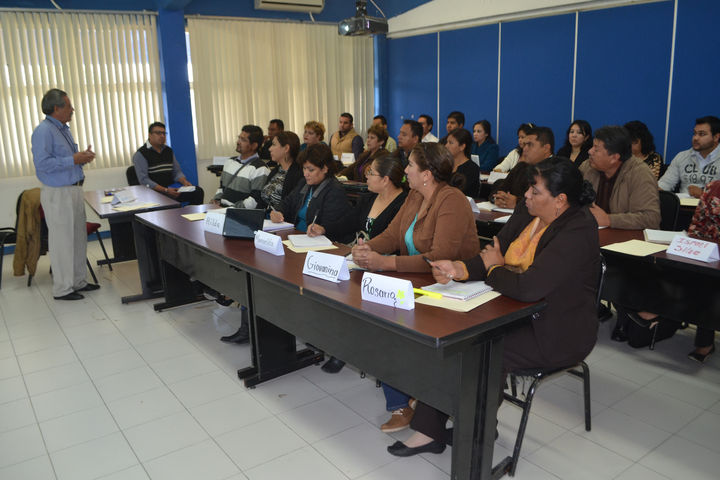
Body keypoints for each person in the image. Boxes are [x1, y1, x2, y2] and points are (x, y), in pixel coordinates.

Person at [387, 156, 600, 457]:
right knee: (454, 332)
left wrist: (494, 269)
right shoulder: (527, 212)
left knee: (478, 347)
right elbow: (491, 253)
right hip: (513, 310)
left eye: (535, 191)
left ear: (560, 200)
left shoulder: (578, 230)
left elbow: (528, 287)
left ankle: (474, 430)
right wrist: (459, 269)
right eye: (528, 188)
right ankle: (441, 427)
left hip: (556, 330)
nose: (526, 195)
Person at [351, 143, 480, 433]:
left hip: (451, 290)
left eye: (410, 165)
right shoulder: (413, 195)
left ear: (427, 174)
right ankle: (408, 392)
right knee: (375, 318)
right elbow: (392, 234)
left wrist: (385, 263)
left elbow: (439, 257)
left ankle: (405, 402)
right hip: (417, 282)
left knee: (391, 331)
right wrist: (367, 248)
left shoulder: (452, 200)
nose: (405, 170)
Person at [321, 155, 409, 374]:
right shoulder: (369, 197)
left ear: (386, 179)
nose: (366, 176)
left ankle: (347, 350)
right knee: (334, 285)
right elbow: (349, 222)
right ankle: (337, 344)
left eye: (371, 173)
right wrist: (324, 229)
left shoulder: (404, 202)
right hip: (360, 260)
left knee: (351, 292)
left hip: (387, 266)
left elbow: (395, 241)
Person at [614, 180, 720, 360]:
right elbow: (697, 225)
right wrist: (696, 247)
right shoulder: (713, 187)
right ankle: (664, 313)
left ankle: (703, 341)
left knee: (709, 282)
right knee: (678, 268)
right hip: (708, 250)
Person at [31, 88, 100, 301]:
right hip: (58, 193)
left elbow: (69, 159)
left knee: (78, 239)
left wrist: (82, 158)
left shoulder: (63, 129)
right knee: (62, 242)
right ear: (56, 108)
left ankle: (78, 281)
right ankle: (62, 289)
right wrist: (73, 159)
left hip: (74, 189)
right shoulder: (43, 131)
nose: (73, 109)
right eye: (69, 106)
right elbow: (42, 164)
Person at [580, 125, 661, 229]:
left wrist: (609, 220)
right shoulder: (587, 167)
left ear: (614, 157)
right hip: (591, 232)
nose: (590, 151)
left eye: (596, 149)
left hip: (627, 237)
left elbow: (651, 218)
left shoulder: (640, 174)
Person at [270, 143, 352, 242]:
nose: (305, 174)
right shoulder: (304, 183)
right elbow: (287, 202)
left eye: (311, 170)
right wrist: (277, 212)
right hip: (295, 237)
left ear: (325, 169)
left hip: (317, 242)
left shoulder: (334, 191)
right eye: (304, 168)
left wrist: (322, 229)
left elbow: (333, 227)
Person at [132, 122, 204, 205]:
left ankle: (192, 212)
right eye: (158, 133)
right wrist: (165, 190)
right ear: (150, 135)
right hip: (154, 192)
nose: (162, 136)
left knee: (197, 191)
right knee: (168, 201)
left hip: (171, 189)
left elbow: (176, 172)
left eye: (164, 133)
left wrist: (184, 182)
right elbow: (144, 180)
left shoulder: (168, 151)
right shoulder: (141, 154)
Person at [493, 126, 554, 209]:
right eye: (524, 145)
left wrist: (517, 202)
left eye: (530, 145)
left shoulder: (557, 171)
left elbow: (550, 202)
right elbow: (499, 189)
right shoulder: (521, 167)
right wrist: (498, 198)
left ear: (546, 148)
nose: (525, 149)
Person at [658, 116, 720, 198]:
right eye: (694, 133)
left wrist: (704, 194)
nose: (695, 138)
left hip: (711, 205)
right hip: (684, 204)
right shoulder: (682, 157)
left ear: (716, 137)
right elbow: (665, 184)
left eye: (702, 134)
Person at [213, 125, 269, 208]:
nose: (238, 142)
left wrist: (230, 210)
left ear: (254, 145)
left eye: (243, 140)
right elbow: (221, 188)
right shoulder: (230, 162)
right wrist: (216, 200)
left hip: (238, 213)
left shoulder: (260, 169)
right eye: (239, 138)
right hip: (221, 210)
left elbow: (254, 201)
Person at [260, 131, 303, 211]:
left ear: (286, 148)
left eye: (274, 144)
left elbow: (292, 205)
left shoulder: (299, 174)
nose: (270, 149)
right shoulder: (276, 170)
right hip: (265, 215)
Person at [446, 128, 480, 197]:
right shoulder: (445, 165)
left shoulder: (472, 168)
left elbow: (459, 192)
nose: (446, 146)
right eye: (447, 142)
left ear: (462, 147)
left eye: (451, 143)